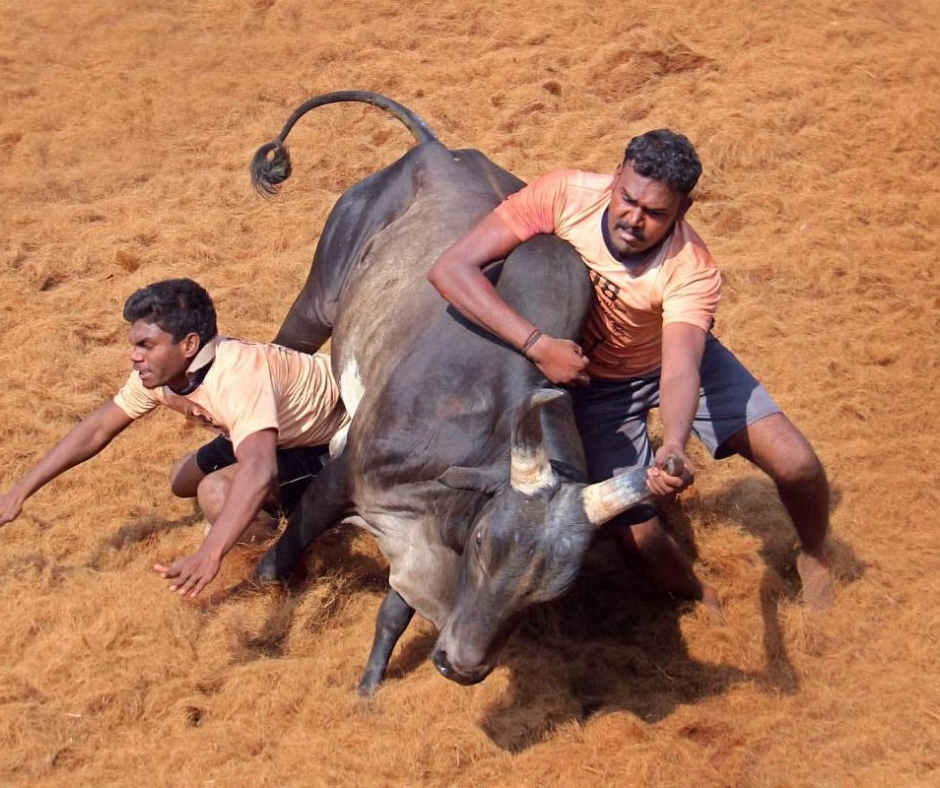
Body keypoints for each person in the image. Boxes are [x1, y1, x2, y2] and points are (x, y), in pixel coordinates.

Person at [427, 129, 832, 609]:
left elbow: (681, 367)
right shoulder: (562, 194)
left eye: (656, 212)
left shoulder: (693, 268)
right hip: (594, 387)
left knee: (798, 464)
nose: (634, 219)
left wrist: (676, 446)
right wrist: (537, 345)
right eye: (628, 199)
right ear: (616, 176)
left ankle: (816, 554)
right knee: (640, 541)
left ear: (682, 210)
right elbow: (450, 269)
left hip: (672, 358)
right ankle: (700, 597)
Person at [0, 278, 349, 598]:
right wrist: (19, 492)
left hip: (326, 441)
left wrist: (210, 553)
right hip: (263, 431)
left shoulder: (239, 375)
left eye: (146, 345)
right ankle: (253, 516)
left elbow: (259, 470)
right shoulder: (160, 376)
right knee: (181, 479)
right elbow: (97, 428)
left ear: (189, 345)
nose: (134, 356)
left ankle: (286, 554)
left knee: (215, 493)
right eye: (134, 344)